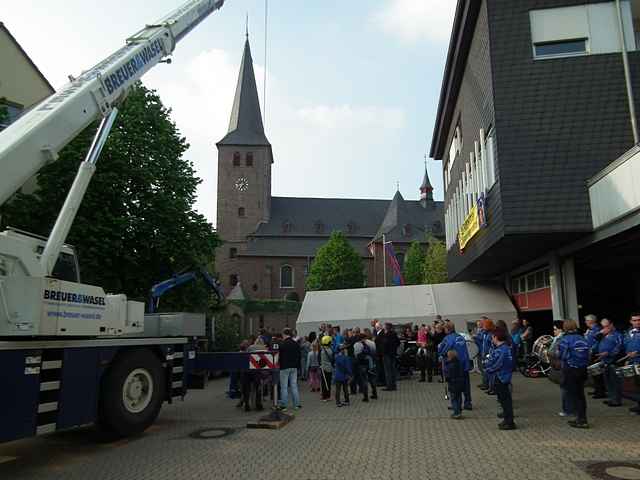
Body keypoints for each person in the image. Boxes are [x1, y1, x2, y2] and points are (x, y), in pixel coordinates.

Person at [557, 319, 590, 428]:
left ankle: (580, 420)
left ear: (565, 328)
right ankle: (582, 417)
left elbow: (561, 355)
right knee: (581, 395)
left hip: (571, 369)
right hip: (583, 369)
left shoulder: (565, 340)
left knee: (574, 395)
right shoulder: (582, 338)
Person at [485, 330, 516, 430]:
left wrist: (488, 369)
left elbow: (498, 364)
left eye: (493, 337)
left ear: (496, 337)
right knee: (505, 400)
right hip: (505, 376)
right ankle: (507, 420)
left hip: (501, 377)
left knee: (505, 401)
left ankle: (509, 422)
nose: (492, 339)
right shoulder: (506, 348)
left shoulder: (501, 350)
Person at [438, 323, 472, 410]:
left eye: (445, 329)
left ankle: (456, 405)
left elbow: (443, 349)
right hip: (465, 363)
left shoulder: (448, 338)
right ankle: (468, 403)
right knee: (466, 385)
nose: (444, 330)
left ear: (447, 329)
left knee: (455, 386)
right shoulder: (460, 337)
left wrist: (440, 352)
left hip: (455, 365)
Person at [596, 318, 624, 407]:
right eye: (603, 326)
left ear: (611, 325)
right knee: (607, 381)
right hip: (605, 361)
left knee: (615, 382)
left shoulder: (617, 335)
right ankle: (612, 398)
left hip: (613, 361)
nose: (605, 328)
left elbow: (619, 347)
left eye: (607, 326)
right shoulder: (604, 335)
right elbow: (596, 340)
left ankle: (616, 400)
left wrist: (609, 353)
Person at [277, 328, 302, 411]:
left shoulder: (282, 344)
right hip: (294, 367)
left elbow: (279, 356)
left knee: (284, 387)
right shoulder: (296, 344)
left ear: (284, 334)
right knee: (294, 385)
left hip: (284, 367)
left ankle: (284, 405)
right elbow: (299, 356)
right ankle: (297, 405)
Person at [584, 314, 606, 399]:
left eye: (586, 320)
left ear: (591, 321)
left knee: (597, 373)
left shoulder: (597, 329)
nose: (585, 322)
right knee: (593, 373)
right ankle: (597, 389)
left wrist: (592, 350)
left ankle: (601, 392)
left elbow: (598, 342)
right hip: (590, 352)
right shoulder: (590, 330)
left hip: (595, 353)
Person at [624, 314, 640, 415]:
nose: (637, 322)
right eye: (635, 320)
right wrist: (627, 356)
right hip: (633, 362)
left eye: (639, 320)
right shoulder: (628, 333)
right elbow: (627, 345)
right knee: (637, 385)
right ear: (631, 321)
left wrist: (638, 353)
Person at [354, 334, 378, 401]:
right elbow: (374, 352)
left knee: (364, 380)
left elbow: (356, 355)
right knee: (372, 379)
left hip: (362, 364)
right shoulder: (371, 343)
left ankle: (366, 397)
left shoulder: (357, 344)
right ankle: (375, 394)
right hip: (371, 364)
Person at [444, 350, 465, 419]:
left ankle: (456, 412)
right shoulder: (459, 363)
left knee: (454, 399)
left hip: (453, 383)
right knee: (459, 398)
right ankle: (459, 411)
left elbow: (447, 376)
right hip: (460, 383)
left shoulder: (449, 365)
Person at [380, 322, 400, 391]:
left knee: (388, 371)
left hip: (387, 354)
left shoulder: (386, 335)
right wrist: (394, 349)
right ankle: (394, 385)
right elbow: (398, 342)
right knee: (393, 370)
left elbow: (384, 344)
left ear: (386, 327)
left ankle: (389, 386)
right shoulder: (394, 334)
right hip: (393, 354)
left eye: (384, 326)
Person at [319, 335, 335, 402]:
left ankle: (323, 396)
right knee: (327, 383)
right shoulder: (330, 350)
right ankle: (327, 396)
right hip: (329, 368)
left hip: (323, 368)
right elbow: (332, 359)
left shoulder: (322, 350)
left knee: (323, 383)